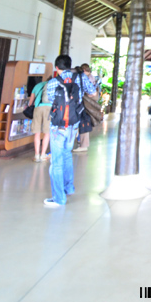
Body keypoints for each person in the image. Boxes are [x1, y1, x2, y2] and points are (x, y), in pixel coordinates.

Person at [43, 55, 96, 208]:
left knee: (56, 162)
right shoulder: (80, 78)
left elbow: (50, 100)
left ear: (57, 68)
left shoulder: (53, 82)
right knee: (67, 155)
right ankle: (69, 187)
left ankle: (59, 198)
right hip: (73, 125)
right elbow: (92, 92)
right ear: (70, 65)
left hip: (57, 127)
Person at [73, 63, 98, 153]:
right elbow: (93, 92)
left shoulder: (65, 75)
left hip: (64, 106)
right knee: (83, 121)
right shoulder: (83, 77)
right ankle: (82, 143)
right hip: (78, 104)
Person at [27, 79, 51, 162]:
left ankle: (36, 155)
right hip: (49, 108)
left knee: (37, 133)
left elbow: (30, 103)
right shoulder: (53, 85)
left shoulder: (37, 86)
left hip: (38, 108)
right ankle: (43, 154)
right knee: (47, 133)